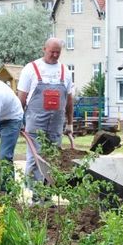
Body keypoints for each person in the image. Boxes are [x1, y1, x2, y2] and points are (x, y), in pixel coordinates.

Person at [17, 38, 74, 183]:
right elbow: (21, 99)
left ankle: (47, 196)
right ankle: (35, 197)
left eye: (58, 52)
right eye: (52, 52)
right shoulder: (31, 69)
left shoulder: (65, 71)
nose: (55, 55)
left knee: (54, 158)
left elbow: (69, 100)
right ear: (44, 49)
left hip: (56, 124)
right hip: (36, 124)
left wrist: (70, 124)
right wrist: (18, 121)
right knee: (35, 157)